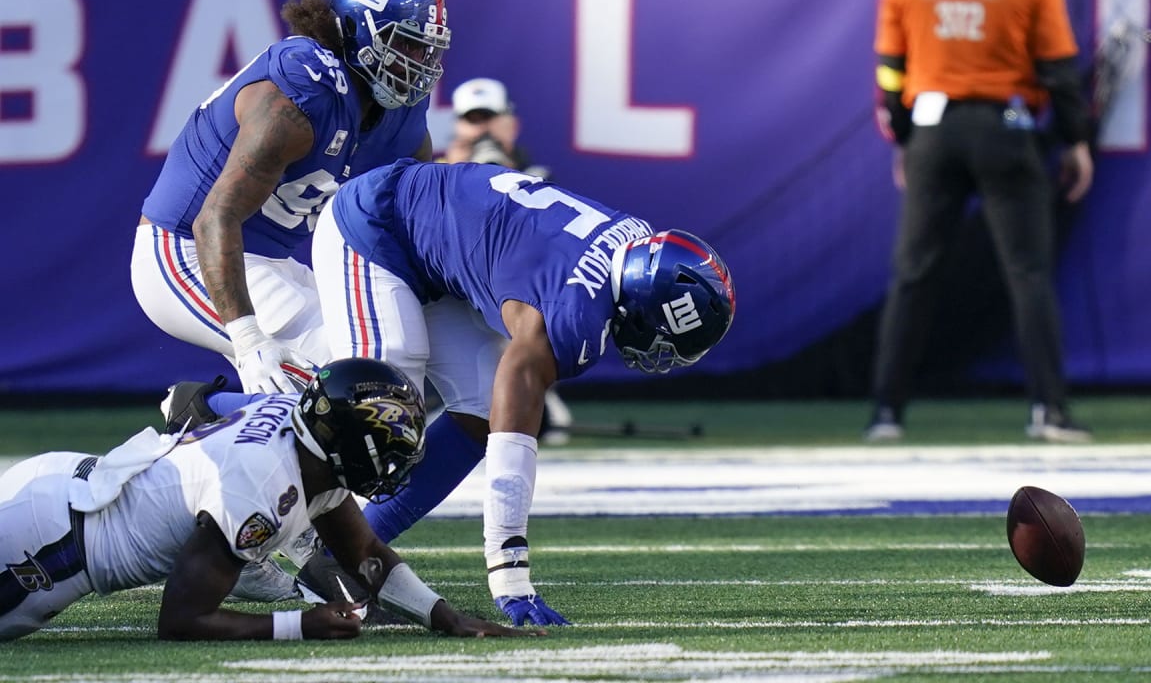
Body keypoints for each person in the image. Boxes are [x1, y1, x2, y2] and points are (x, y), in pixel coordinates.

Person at [295, 158, 736, 625]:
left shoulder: (633, 244)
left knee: (482, 405)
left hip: (429, 246)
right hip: (376, 227)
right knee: (381, 407)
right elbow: (516, 414)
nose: (661, 350)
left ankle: (336, 555)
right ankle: (275, 532)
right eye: (667, 337)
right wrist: (509, 569)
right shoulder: (575, 312)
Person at [0, 358, 538, 642]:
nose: (394, 466)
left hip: (65, 483)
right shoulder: (262, 488)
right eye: (388, 451)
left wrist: (441, 616)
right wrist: (299, 626)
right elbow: (181, 620)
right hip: (50, 545)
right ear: (348, 444)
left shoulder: (308, 445)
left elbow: (363, 552)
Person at [130, 0, 451, 395]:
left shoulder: (401, 116)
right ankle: (199, 410)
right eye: (406, 46)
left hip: (271, 262)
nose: (419, 64)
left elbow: (412, 223)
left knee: (374, 358)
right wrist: (248, 340)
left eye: (426, 50)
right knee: (339, 385)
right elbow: (216, 217)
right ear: (359, 31)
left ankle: (227, 424)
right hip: (185, 251)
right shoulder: (302, 93)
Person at [865, 0, 1094, 443]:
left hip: (933, 130)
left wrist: (906, 140)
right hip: (1004, 127)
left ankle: (886, 412)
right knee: (1028, 273)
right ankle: (1048, 408)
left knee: (913, 274)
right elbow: (1057, 66)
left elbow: (890, 69)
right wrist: (1075, 140)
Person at [442, 77, 571, 444]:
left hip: (511, 304)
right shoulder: (433, 177)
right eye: (472, 119)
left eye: (490, 117)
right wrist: (456, 176)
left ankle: (532, 382)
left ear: (510, 123)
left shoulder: (540, 181)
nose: (482, 128)